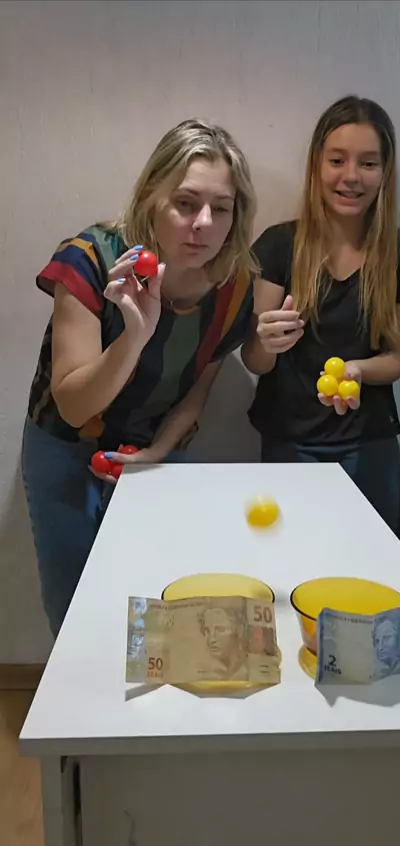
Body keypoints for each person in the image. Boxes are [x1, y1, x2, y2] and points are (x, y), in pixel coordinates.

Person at [23, 119, 257, 637]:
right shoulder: (90, 259)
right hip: (66, 446)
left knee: (156, 599)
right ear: (153, 198)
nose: (203, 223)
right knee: (76, 607)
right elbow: (73, 405)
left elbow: (197, 392)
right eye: (185, 203)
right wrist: (136, 333)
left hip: (155, 446)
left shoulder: (235, 286)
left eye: (220, 208)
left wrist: (156, 453)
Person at [242, 95, 400, 533]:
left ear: (384, 172)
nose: (351, 176)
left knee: (371, 565)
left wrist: (357, 370)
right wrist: (266, 341)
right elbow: (255, 361)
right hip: (289, 441)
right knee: (289, 560)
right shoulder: (278, 245)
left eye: (368, 163)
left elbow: (396, 360)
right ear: (316, 166)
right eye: (337, 160)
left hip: (369, 446)